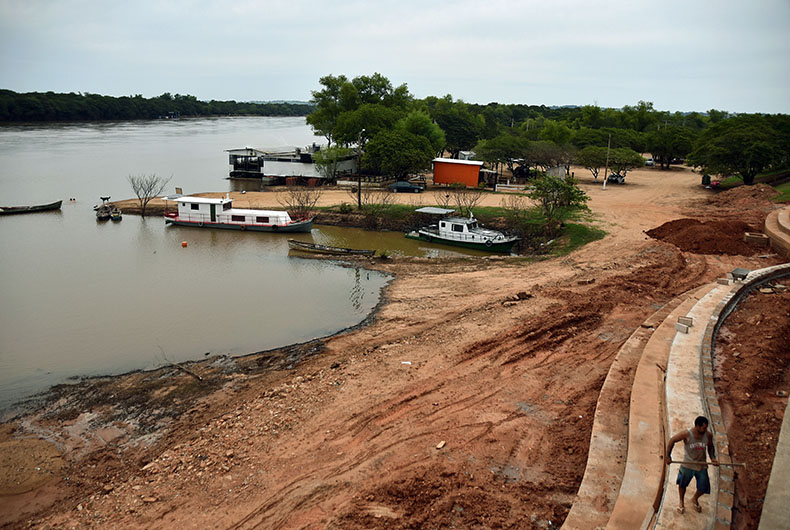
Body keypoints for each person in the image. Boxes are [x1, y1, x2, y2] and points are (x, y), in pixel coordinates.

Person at [665, 415, 719, 514]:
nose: (705, 429)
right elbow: (672, 440)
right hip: (687, 465)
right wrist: (668, 456)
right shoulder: (687, 434)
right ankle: (681, 501)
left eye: (706, 427)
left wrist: (713, 458)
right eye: (703, 427)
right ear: (697, 426)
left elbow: (710, 447)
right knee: (682, 484)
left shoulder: (708, 435)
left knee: (704, 487)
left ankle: (695, 499)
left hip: (701, 465)